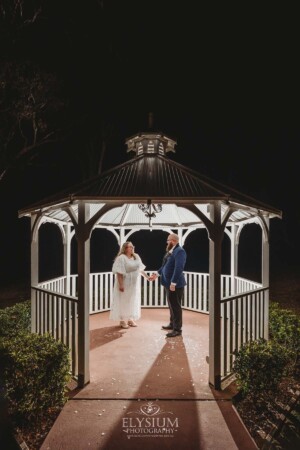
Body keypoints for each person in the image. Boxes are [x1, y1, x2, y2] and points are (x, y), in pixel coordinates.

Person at [150, 233, 187, 337]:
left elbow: (179, 268)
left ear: (173, 241)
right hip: (168, 283)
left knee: (176, 306)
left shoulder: (180, 251)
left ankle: (177, 329)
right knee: (171, 305)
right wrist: (156, 274)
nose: (166, 242)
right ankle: (172, 324)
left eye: (168, 240)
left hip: (175, 284)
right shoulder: (171, 251)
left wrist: (173, 282)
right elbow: (164, 266)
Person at [109, 241, 150, 329]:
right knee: (123, 300)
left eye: (132, 246)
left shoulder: (136, 256)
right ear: (125, 248)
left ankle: (130, 319)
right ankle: (122, 320)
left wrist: (147, 277)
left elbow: (140, 269)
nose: (132, 248)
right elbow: (119, 273)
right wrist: (121, 285)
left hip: (134, 283)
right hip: (125, 282)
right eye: (130, 247)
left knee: (132, 299)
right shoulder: (121, 258)